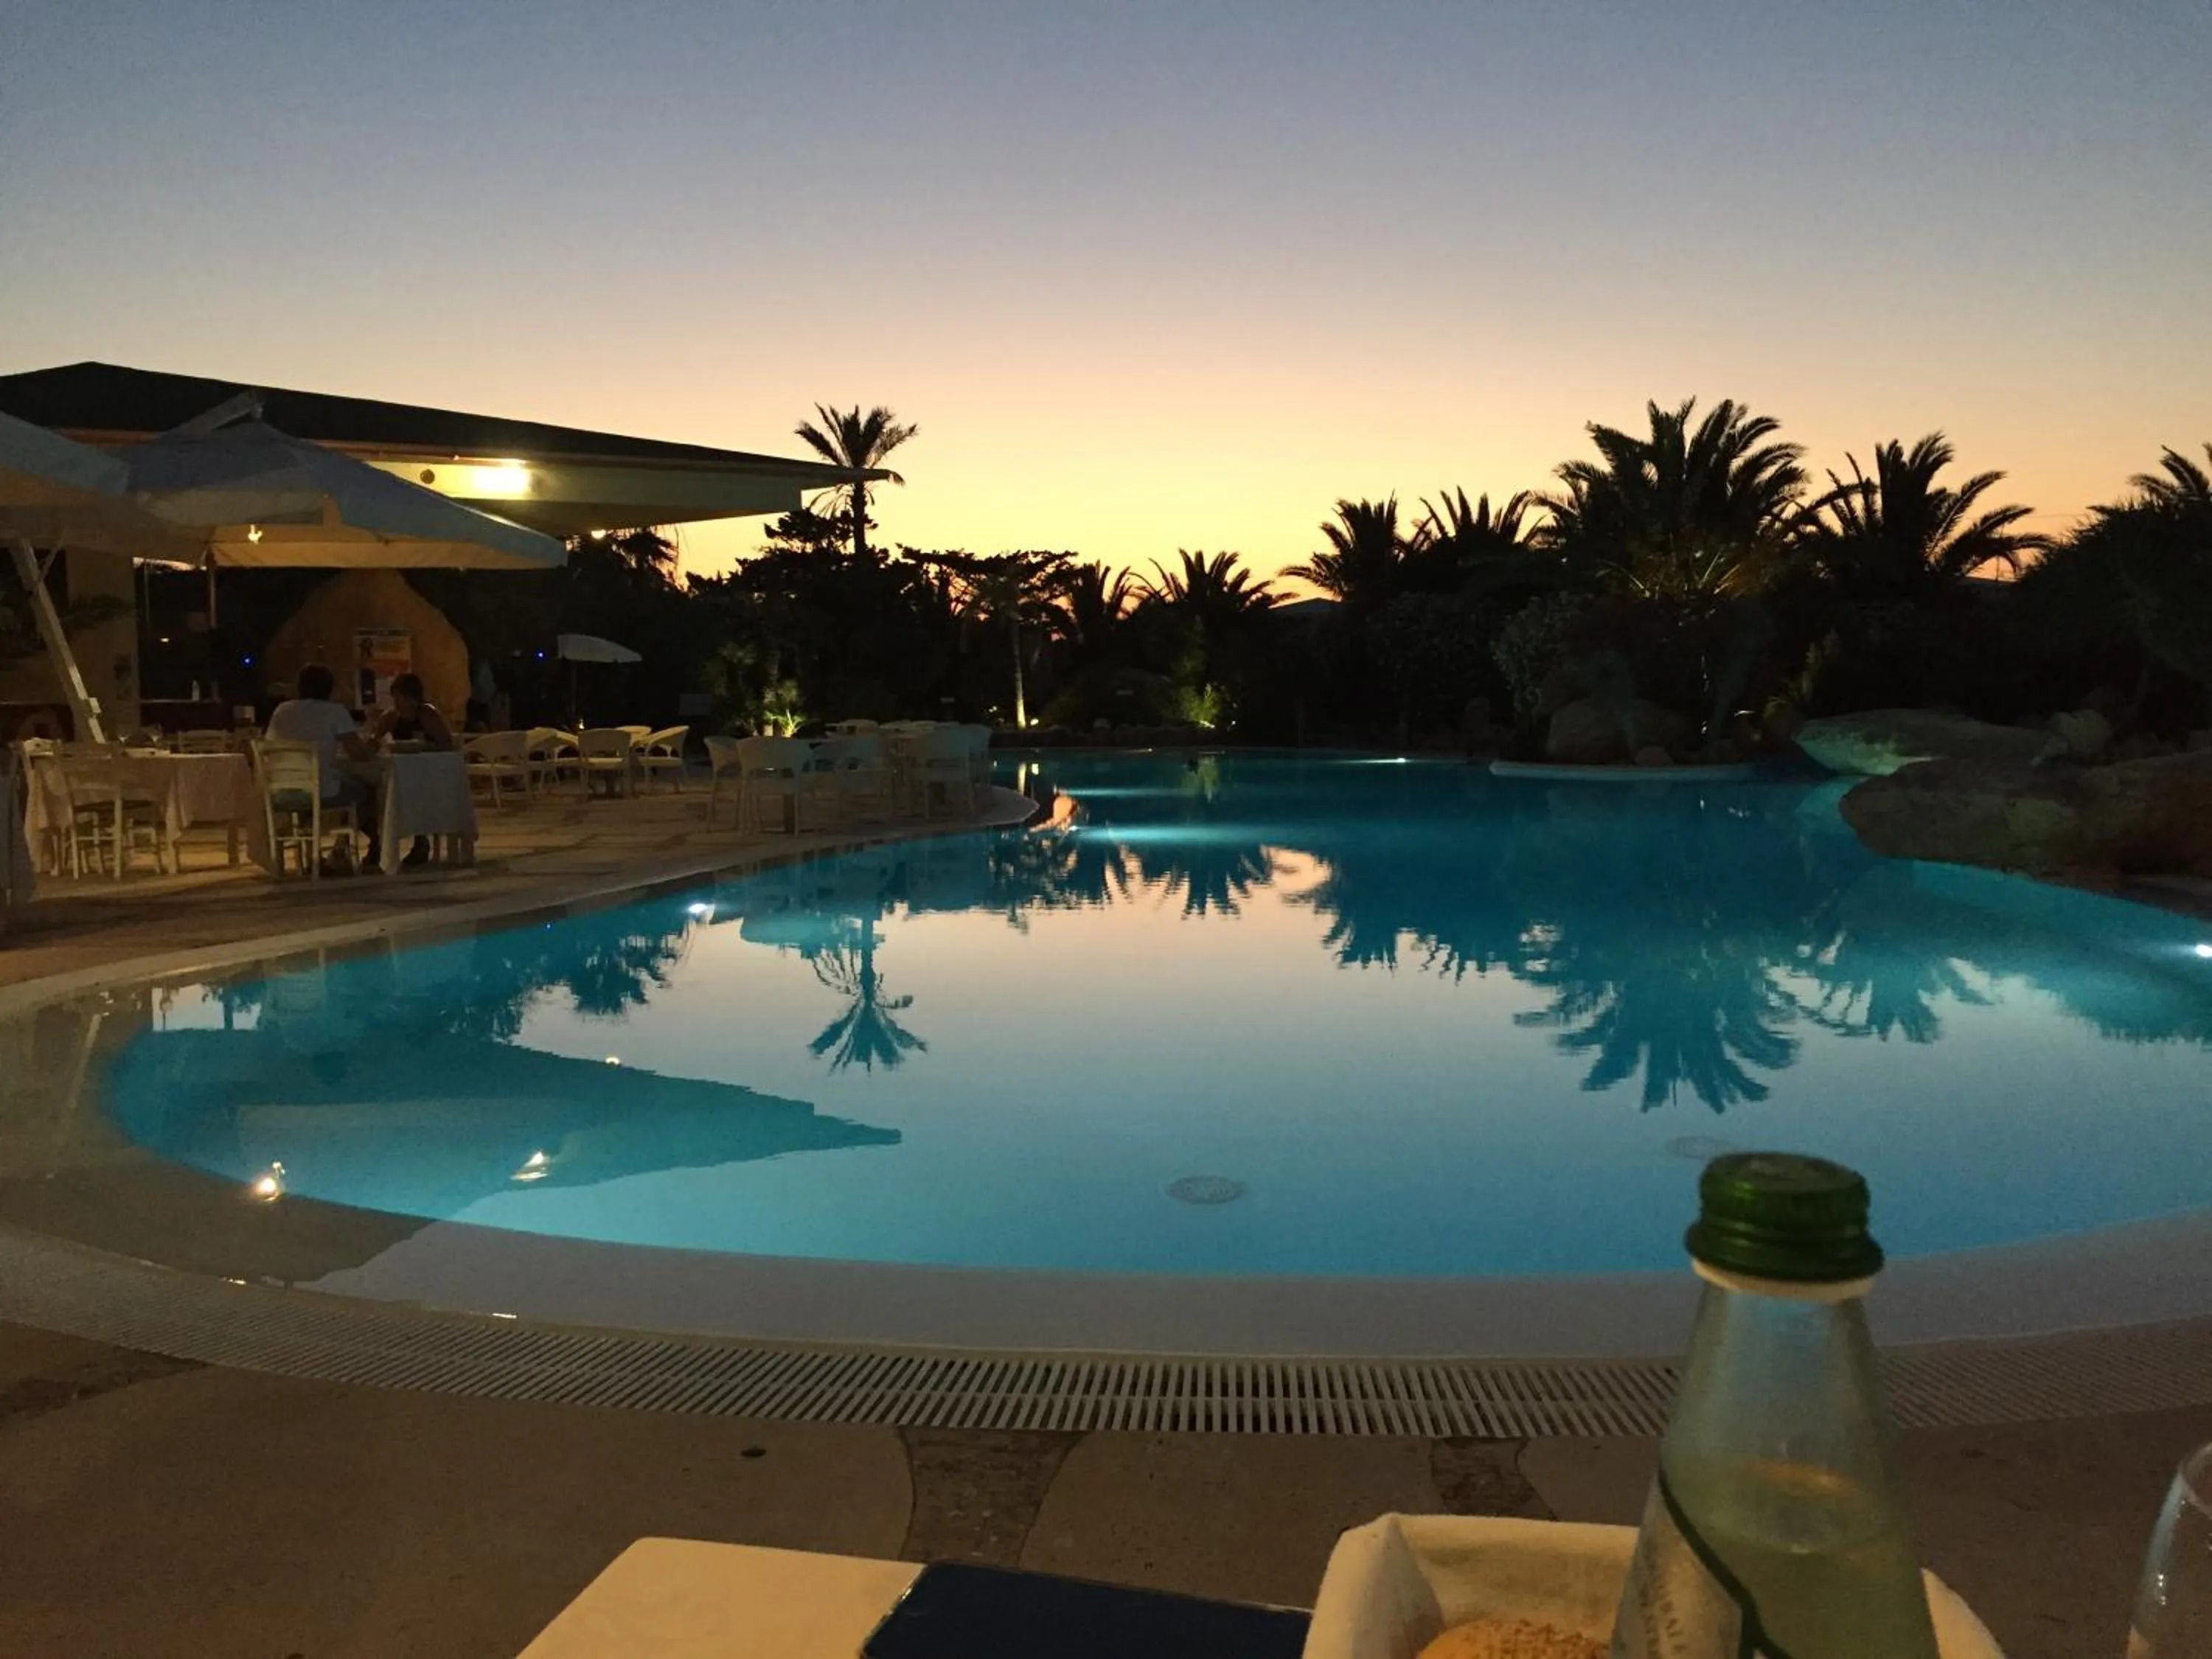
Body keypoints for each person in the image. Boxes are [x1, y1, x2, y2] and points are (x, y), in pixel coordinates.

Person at [265, 664, 380, 872]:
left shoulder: (281, 711)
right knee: (367, 791)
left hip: (282, 791)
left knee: (341, 784)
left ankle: (314, 855)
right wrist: (376, 739)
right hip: (321, 791)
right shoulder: (334, 712)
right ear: (330, 688)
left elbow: (270, 746)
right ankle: (347, 848)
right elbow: (359, 755)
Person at [370, 674, 454, 869]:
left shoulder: (427, 715)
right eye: (396, 698)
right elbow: (373, 743)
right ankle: (378, 843)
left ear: (415, 698)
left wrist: (424, 747)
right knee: (377, 792)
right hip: (400, 771)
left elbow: (446, 744)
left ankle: (420, 840)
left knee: (412, 791)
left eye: (404, 698)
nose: (399, 703)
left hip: (427, 771)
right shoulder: (390, 718)